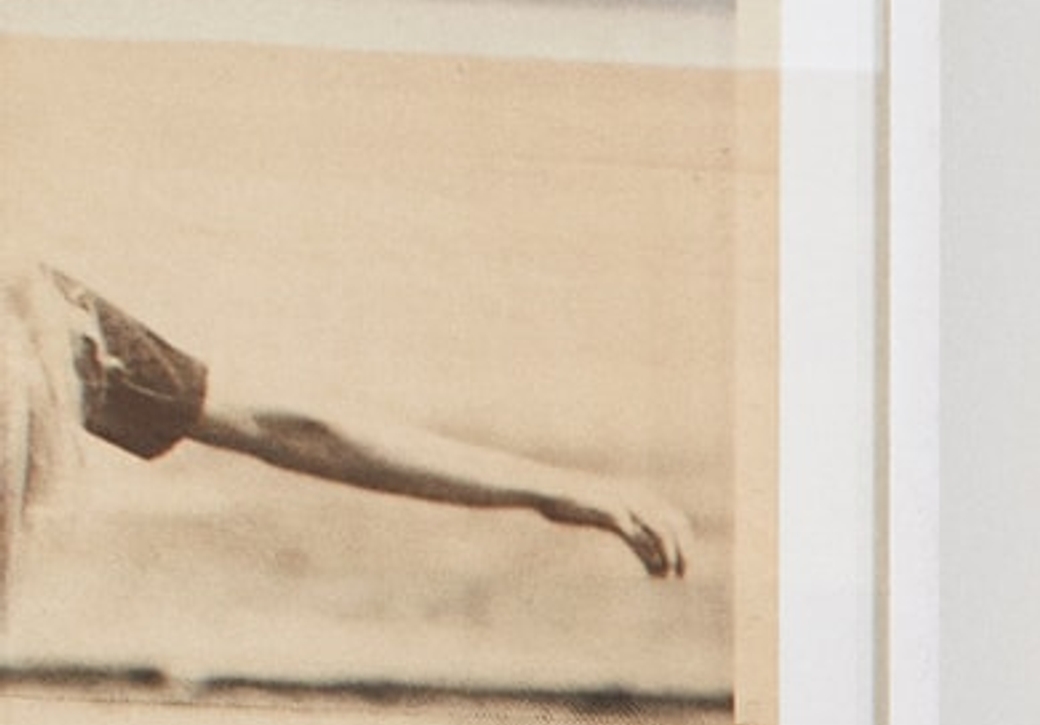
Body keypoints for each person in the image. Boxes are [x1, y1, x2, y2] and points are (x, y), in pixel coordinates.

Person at [1, 252, 687, 606]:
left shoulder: (31, 310)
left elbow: (294, 428)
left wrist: (548, 486)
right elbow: (288, 428)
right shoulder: (31, 310)